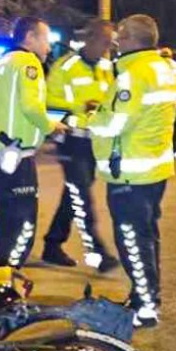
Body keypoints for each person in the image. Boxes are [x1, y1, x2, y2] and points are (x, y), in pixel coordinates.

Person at [88, 14, 176, 329]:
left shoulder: (132, 75)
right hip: (154, 169)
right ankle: (145, 296)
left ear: (130, 39)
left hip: (128, 171)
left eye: (120, 37)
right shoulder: (167, 69)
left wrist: (92, 118)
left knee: (132, 239)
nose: (116, 42)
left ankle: (145, 307)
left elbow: (115, 122)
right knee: (146, 236)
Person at [0, 16, 67, 270]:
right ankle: (6, 285)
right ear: (30, 38)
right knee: (22, 225)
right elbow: (32, 107)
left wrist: (3, 118)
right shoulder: (28, 64)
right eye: (45, 40)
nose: (48, 47)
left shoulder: (1, 64)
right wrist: (52, 126)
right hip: (17, 158)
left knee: (7, 223)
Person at [40, 19, 120, 272]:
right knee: (82, 197)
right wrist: (82, 115)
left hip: (96, 143)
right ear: (91, 39)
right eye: (106, 42)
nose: (109, 48)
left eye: (111, 43)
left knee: (73, 195)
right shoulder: (65, 68)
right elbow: (52, 110)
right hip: (72, 142)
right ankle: (98, 252)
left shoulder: (108, 68)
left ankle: (52, 244)